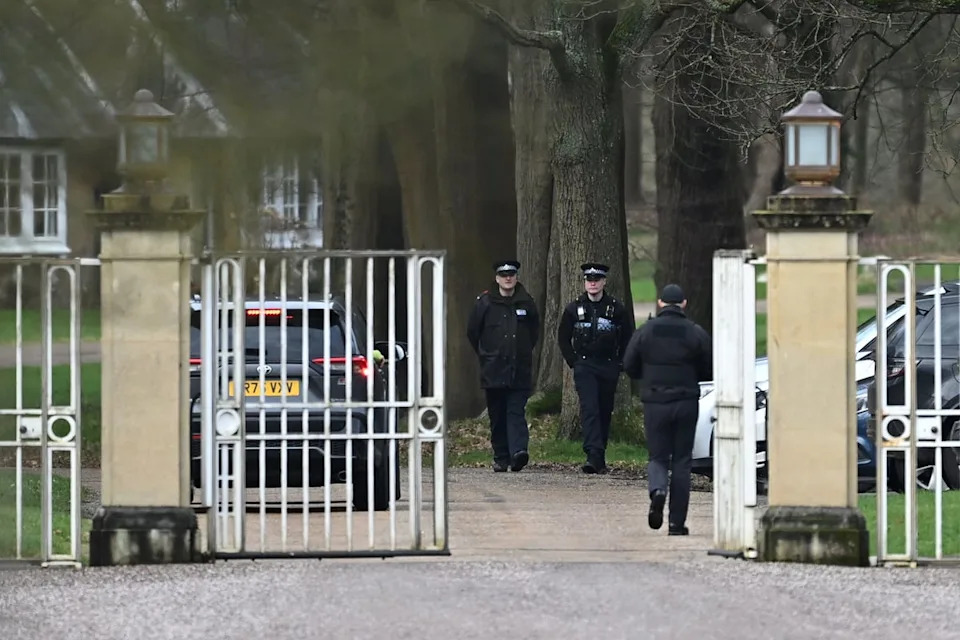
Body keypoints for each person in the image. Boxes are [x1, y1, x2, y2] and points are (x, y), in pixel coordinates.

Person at [622, 283, 711, 536]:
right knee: (682, 461)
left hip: (655, 402)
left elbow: (629, 364)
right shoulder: (695, 333)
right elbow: (708, 366)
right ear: (683, 304)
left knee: (658, 456)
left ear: (660, 303)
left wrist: (647, 379)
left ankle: (658, 490)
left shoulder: (646, 331)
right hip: (685, 402)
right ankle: (676, 523)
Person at [557, 262, 634, 474]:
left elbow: (628, 338)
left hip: (608, 366)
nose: (592, 284)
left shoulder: (616, 309)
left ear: (604, 282)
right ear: (584, 283)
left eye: (596, 280)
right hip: (585, 366)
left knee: (603, 411)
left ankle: (599, 457)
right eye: (589, 280)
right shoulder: (574, 308)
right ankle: (592, 454)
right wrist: (573, 360)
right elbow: (563, 337)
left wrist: (620, 363)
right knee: (589, 409)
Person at [466, 260, 541, 472]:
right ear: (497, 278)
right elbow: (473, 332)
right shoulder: (485, 303)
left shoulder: (526, 302)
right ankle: (501, 457)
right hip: (493, 369)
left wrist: (523, 351)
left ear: (516, 277)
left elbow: (533, 332)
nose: (508, 278)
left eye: (511, 274)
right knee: (497, 415)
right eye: (503, 274)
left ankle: (518, 451)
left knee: (516, 411)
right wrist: (486, 353)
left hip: (519, 369)